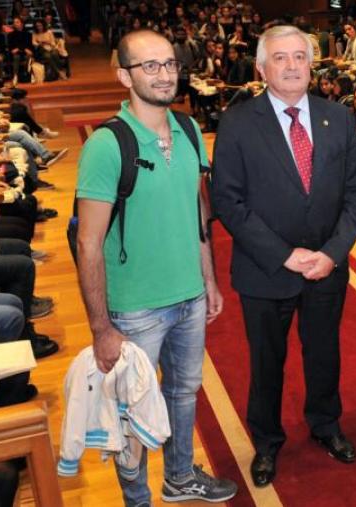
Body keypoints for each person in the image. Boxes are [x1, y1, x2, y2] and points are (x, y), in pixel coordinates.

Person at [75, 29, 238, 505]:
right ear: (124, 75)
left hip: (188, 298)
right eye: (150, 66)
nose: (164, 74)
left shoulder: (189, 131)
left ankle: (180, 477)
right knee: (132, 413)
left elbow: (198, 216)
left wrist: (208, 280)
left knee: (184, 394)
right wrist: (101, 328)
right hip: (134, 311)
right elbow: (88, 243)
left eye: (169, 64)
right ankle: (137, 499)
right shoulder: (108, 145)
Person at [210, 24, 356, 488]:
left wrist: (334, 253)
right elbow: (228, 201)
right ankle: (266, 441)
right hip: (265, 270)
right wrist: (284, 255)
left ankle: (325, 425)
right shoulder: (238, 122)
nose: (293, 65)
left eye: (300, 56)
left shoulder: (337, 117)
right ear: (261, 68)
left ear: (312, 63)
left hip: (326, 268)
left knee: (324, 353)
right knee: (265, 361)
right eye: (281, 58)